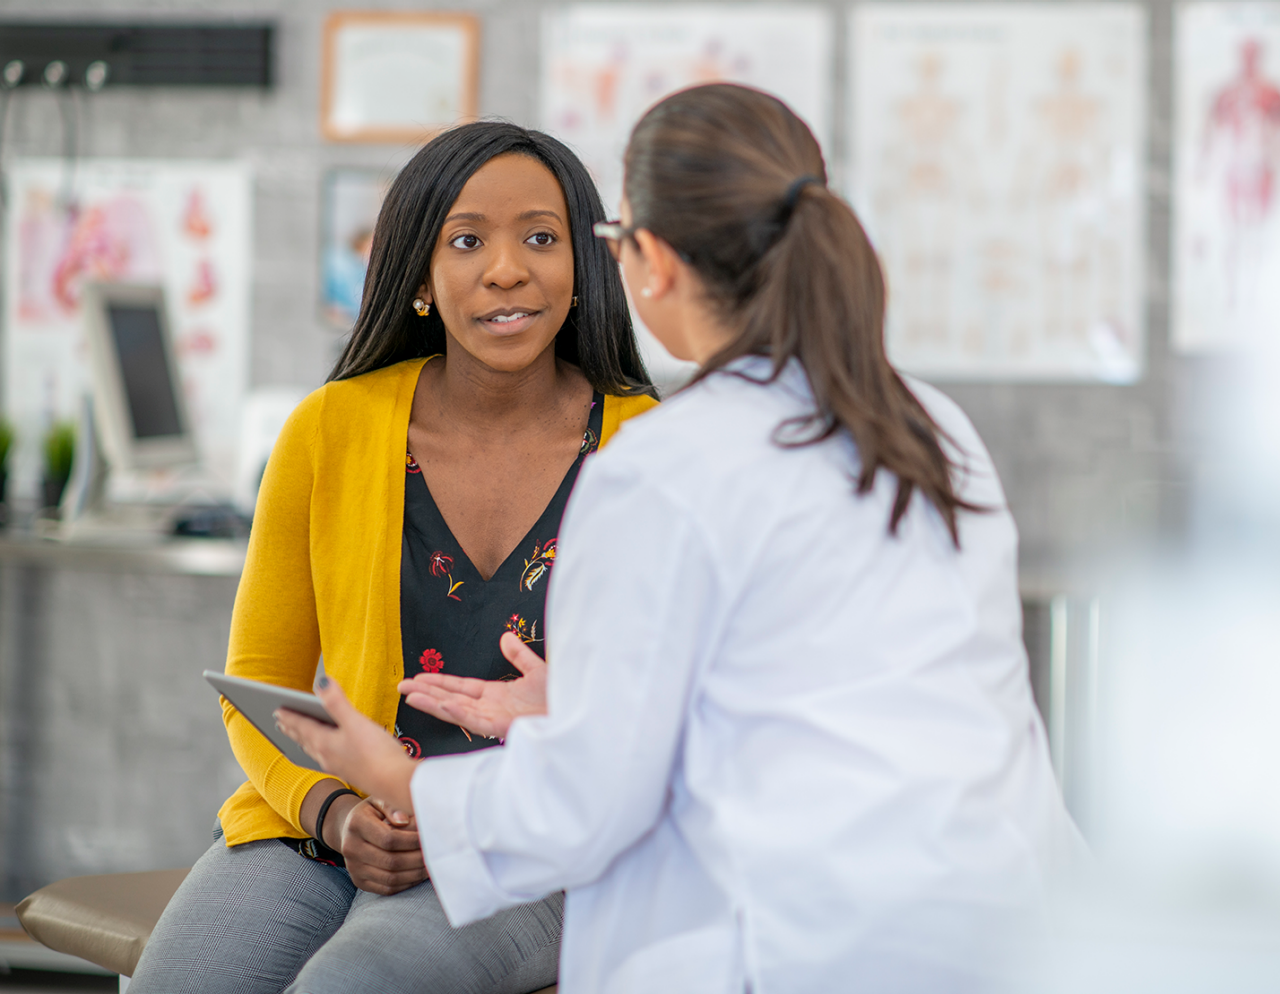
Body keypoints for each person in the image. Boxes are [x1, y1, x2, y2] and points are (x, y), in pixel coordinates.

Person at [277, 84, 1079, 994]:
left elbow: (582, 808)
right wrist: (573, 706)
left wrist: (388, 774)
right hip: (1001, 924)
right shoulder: (931, 426)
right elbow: (817, 696)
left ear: (650, 261)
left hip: (796, 943)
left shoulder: (662, 466)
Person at [129, 121, 656, 994]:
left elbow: (665, 716)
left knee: (355, 982)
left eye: (540, 237)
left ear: (584, 268)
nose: (506, 270)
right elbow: (258, 685)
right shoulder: (328, 428)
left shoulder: (652, 447)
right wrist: (335, 814)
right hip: (334, 825)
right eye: (465, 241)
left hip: (526, 839)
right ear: (417, 276)